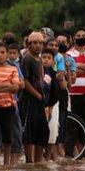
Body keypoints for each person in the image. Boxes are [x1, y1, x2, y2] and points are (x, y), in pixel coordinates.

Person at [20, 31, 49, 163]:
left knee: (42, 131)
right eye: (35, 43)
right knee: (29, 131)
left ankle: (38, 161)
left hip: (39, 100)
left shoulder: (39, 59)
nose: (38, 46)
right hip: (29, 100)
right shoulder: (27, 59)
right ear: (29, 44)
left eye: (40, 43)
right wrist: (37, 94)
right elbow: (24, 82)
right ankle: (29, 161)